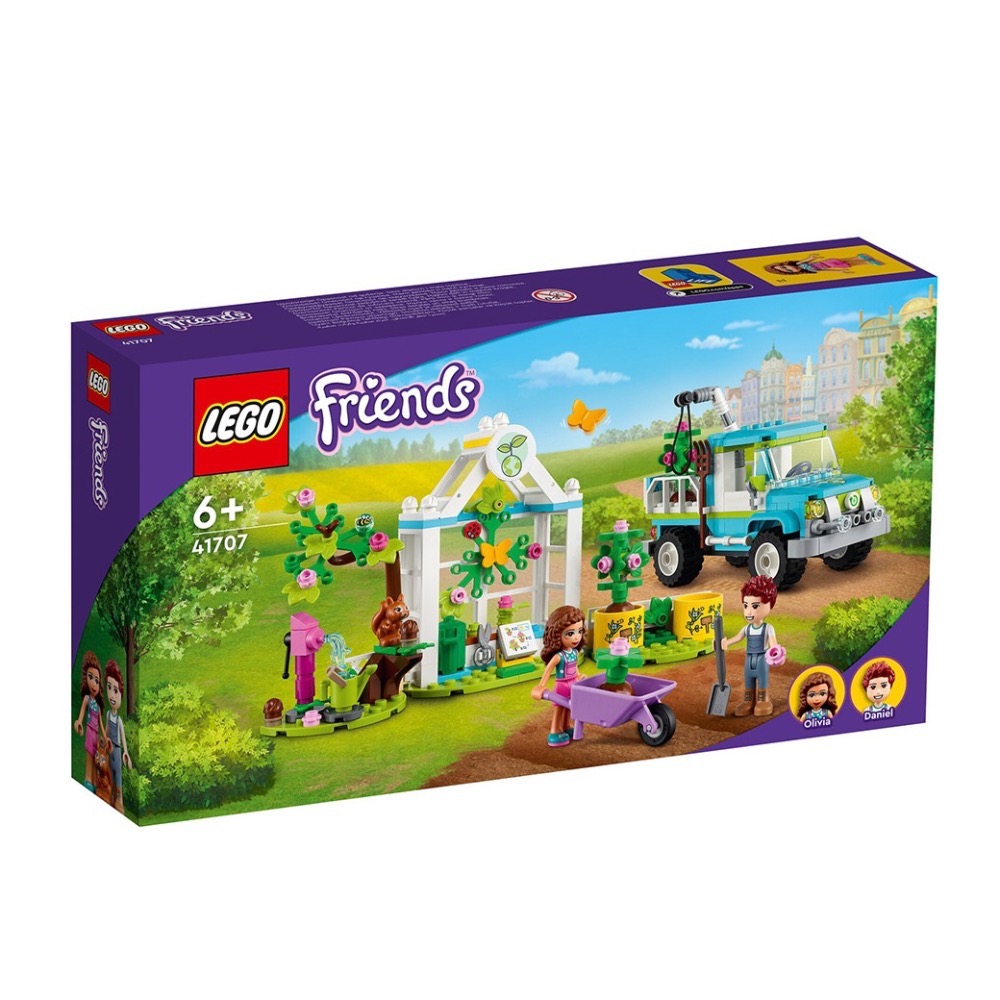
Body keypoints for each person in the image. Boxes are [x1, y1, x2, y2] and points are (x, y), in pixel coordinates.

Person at [721, 575, 783, 717]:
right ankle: (748, 700)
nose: (749, 612)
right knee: (748, 678)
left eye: (755, 606)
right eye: (746, 606)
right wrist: (726, 643)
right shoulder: (747, 629)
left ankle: (763, 700)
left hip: (762, 659)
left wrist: (775, 652)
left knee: (762, 678)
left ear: (769, 605)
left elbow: (773, 644)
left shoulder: (768, 628)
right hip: (749, 658)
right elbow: (738, 638)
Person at [531, 606, 586, 747]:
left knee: (569, 707)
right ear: (557, 635)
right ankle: (555, 732)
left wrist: (579, 676)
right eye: (570, 633)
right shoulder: (559, 656)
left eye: (579, 631)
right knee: (560, 708)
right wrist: (541, 686)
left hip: (573, 683)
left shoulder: (574, 652)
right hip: (562, 685)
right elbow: (548, 670)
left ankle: (566, 726)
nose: (576, 637)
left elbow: (574, 667)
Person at [73, 652, 106, 792]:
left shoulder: (97, 706)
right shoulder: (87, 699)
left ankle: (94, 781)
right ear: (85, 678)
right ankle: (88, 780)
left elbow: (101, 724)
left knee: (96, 757)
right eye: (90, 677)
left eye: (97, 681)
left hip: (96, 734)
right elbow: (81, 714)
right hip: (89, 731)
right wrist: (78, 722)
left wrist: (105, 737)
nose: (94, 683)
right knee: (89, 755)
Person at [104, 660, 133, 812]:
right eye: (109, 688)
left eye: (115, 690)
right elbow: (106, 731)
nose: (112, 695)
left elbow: (122, 737)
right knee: (109, 772)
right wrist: (104, 741)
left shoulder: (119, 719)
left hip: (117, 750)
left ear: (121, 694)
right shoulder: (108, 715)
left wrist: (126, 752)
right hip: (110, 749)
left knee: (118, 774)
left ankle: (119, 800)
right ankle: (110, 795)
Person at [764, 252, 883, 276]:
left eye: (785, 267)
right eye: (789, 271)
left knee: (842, 260)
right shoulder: (809, 270)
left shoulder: (800, 264)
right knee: (846, 265)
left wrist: (811, 257)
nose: (790, 268)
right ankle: (866, 262)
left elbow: (807, 260)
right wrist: (840, 271)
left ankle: (858, 257)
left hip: (825, 262)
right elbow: (825, 270)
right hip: (829, 266)